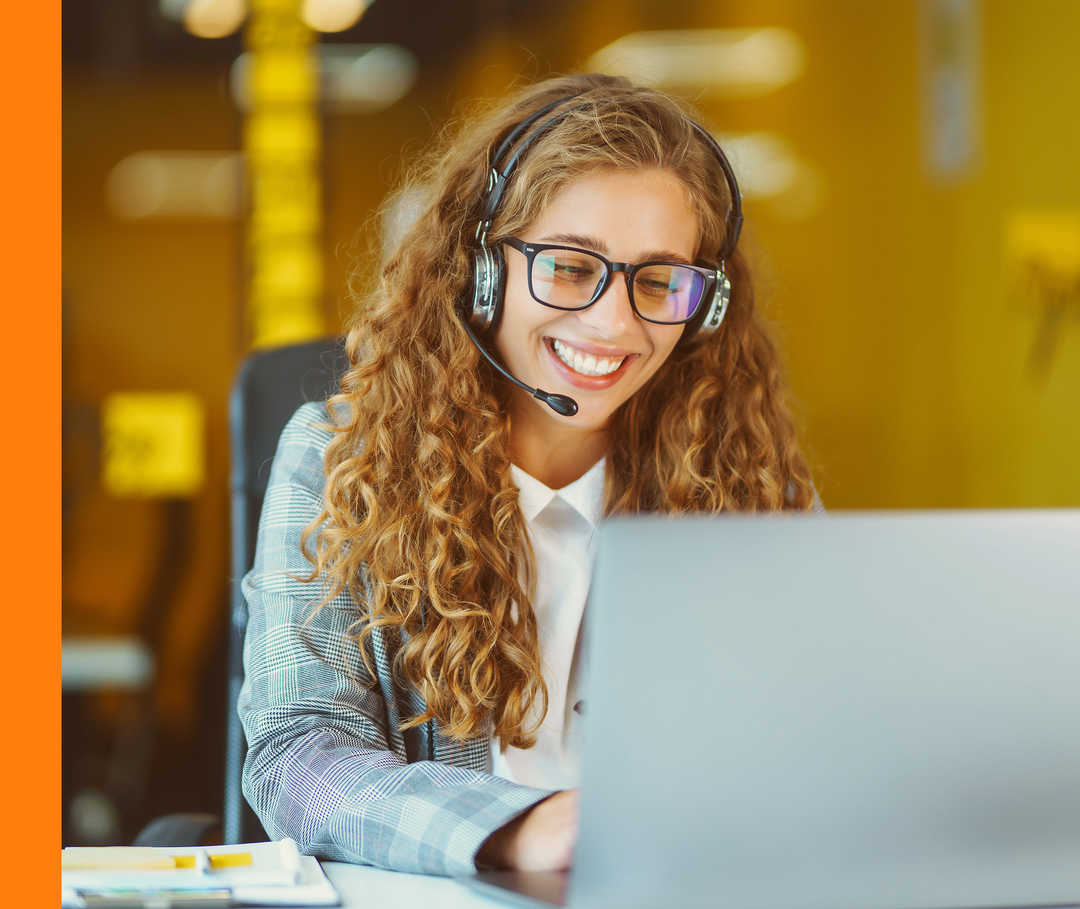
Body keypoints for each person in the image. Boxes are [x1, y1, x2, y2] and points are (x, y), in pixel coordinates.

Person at [237, 72, 817, 879]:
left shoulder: (750, 484)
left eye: (658, 281)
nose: (615, 324)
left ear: (704, 307)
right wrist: (525, 827)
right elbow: (298, 756)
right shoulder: (340, 459)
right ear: (481, 270)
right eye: (572, 268)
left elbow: (813, 743)